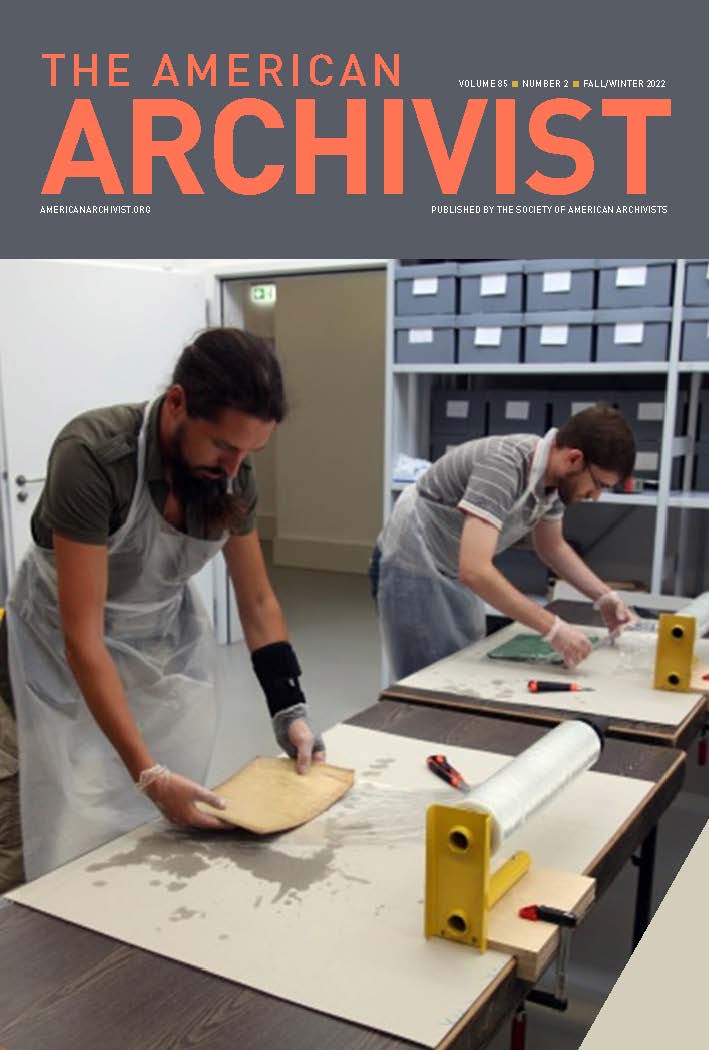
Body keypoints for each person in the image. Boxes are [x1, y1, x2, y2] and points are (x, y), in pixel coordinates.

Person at [0, 327, 324, 891]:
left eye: (249, 453)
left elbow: (256, 600)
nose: (234, 468)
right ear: (177, 403)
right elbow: (83, 638)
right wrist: (148, 773)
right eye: (223, 446)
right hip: (47, 660)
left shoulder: (231, 475)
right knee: (34, 832)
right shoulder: (94, 456)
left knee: (142, 834)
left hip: (150, 656)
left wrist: (289, 708)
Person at [371, 404, 637, 681]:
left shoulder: (555, 483)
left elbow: (552, 546)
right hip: (412, 560)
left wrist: (604, 597)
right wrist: (553, 628)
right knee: (423, 682)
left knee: (461, 666)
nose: (595, 496)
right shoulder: (503, 466)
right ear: (574, 459)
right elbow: (475, 571)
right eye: (599, 484)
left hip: (453, 566)